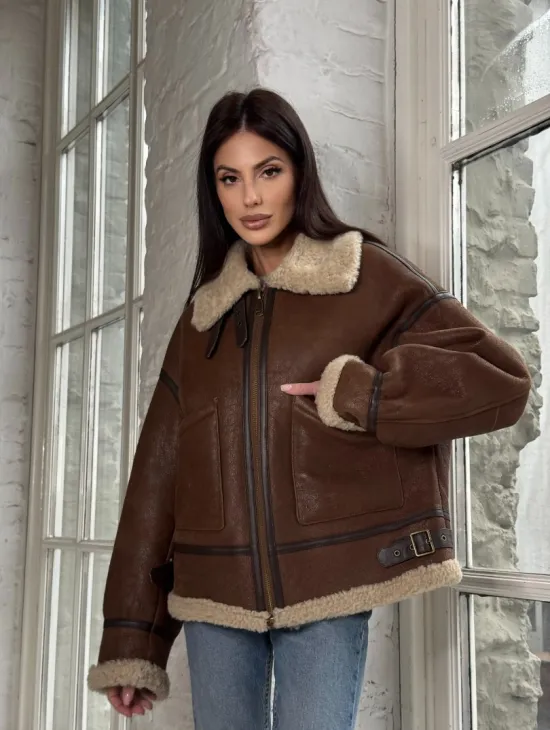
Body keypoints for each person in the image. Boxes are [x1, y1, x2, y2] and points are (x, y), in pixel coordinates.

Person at [87, 88, 531, 729]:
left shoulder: (365, 277)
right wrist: (133, 638)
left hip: (329, 586)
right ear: (214, 191)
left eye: (268, 171)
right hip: (213, 598)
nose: (251, 197)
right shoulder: (203, 318)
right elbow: (156, 479)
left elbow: (499, 379)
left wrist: (364, 394)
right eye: (230, 178)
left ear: (299, 172)